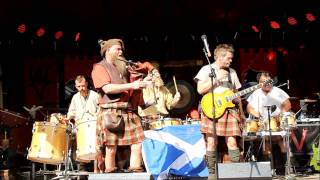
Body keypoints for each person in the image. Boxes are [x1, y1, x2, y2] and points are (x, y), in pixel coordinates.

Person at [91, 38, 153, 173]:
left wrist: (142, 82)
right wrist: (132, 85)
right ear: (108, 50)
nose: (120, 52)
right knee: (111, 146)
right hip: (110, 111)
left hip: (128, 109)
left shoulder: (123, 68)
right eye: (117, 49)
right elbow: (107, 88)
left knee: (138, 142)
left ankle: (135, 169)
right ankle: (110, 171)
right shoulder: (99, 67)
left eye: (121, 49)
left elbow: (132, 85)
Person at [194, 44, 243, 179]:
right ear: (220, 57)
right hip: (211, 109)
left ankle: (235, 174)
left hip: (229, 110)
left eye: (231, 59)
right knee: (211, 142)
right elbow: (200, 90)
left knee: (232, 142)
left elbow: (236, 92)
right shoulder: (206, 69)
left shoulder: (232, 72)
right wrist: (217, 79)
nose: (231, 61)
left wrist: (241, 109)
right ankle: (212, 175)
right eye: (228, 58)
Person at [246, 71, 291, 175]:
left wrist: (280, 116)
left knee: (282, 142)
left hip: (278, 122)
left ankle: (284, 170)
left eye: (269, 81)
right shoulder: (256, 93)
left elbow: (287, 105)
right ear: (259, 83)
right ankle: (269, 171)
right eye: (263, 82)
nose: (267, 84)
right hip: (263, 123)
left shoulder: (278, 91)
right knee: (266, 144)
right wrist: (255, 114)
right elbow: (249, 107)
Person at [66, 75, 100, 172]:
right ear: (76, 87)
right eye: (79, 87)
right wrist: (67, 118)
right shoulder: (75, 97)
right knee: (80, 150)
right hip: (81, 129)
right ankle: (82, 171)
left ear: (87, 84)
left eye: (83, 86)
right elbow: (71, 112)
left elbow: (100, 110)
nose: (81, 88)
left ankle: (97, 170)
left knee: (96, 150)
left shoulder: (95, 95)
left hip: (93, 128)